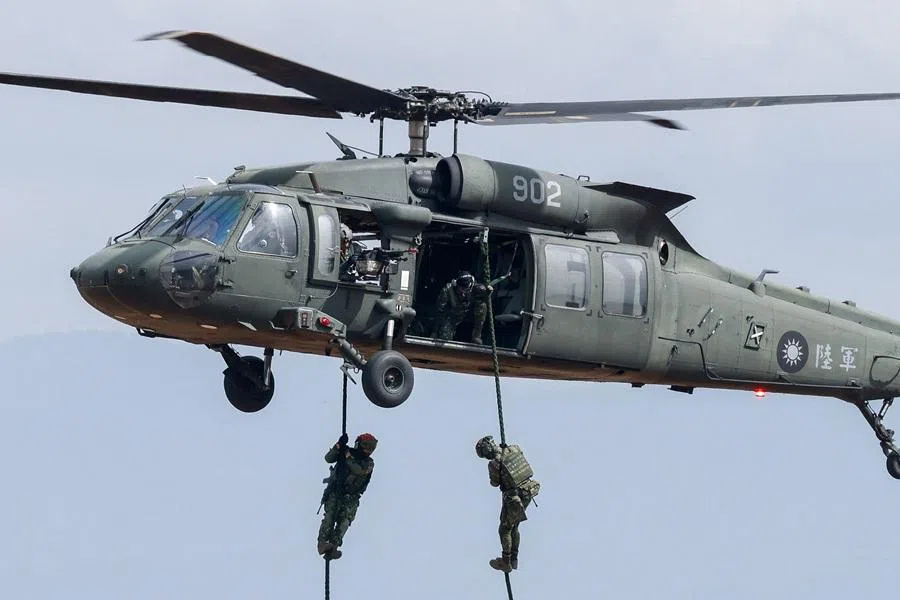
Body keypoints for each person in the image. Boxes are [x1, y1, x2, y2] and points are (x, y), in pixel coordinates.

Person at [475, 435, 541, 573]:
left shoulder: (494, 464)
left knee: (504, 529)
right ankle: (514, 559)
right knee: (514, 526)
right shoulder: (514, 448)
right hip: (529, 490)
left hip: (513, 497)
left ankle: (506, 561)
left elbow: (495, 483)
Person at [317, 432, 378, 560]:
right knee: (329, 517)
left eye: (371, 447)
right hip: (335, 491)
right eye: (366, 446)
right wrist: (339, 445)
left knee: (344, 521)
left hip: (351, 497)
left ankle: (333, 546)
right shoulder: (346, 452)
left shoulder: (368, 463)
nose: (369, 450)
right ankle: (323, 544)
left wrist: (347, 456)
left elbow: (359, 470)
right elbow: (328, 458)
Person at [433, 271, 493, 344]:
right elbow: (439, 311)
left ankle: (476, 336)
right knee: (444, 336)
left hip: (469, 315)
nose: (463, 294)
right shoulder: (448, 290)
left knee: (482, 305)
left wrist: (488, 293)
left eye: (466, 291)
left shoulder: (477, 289)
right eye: (460, 290)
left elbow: (485, 297)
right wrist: (435, 331)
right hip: (452, 316)